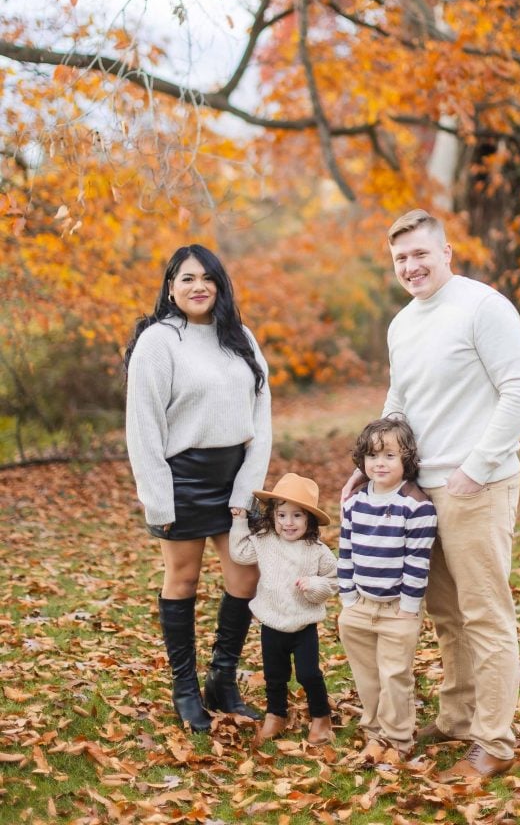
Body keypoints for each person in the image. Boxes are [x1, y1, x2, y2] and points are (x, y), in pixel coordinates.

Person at [342, 210, 520, 780]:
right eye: (401, 258)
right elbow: (398, 401)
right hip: (418, 494)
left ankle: (495, 742)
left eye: (421, 254)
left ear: (446, 252)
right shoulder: (402, 324)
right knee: (446, 614)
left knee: (485, 614)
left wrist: (477, 467)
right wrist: (371, 465)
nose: (411, 266)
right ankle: (456, 718)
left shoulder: (483, 306)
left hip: (476, 485)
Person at [125, 243, 271, 733]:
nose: (198, 286)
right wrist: (157, 498)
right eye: (187, 278)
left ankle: (222, 680)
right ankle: (185, 688)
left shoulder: (240, 339)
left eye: (207, 277)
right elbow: (142, 426)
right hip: (181, 478)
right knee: (183, 581)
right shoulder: (159, 341)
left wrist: (246, 489)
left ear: (220, 284)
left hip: (234, 476)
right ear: (171, 287)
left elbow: (262, 420)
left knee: (245, 579)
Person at [338, 416, 437, 760]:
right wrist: (348, 598)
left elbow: (417, 561)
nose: (379, 463)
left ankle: (398, 739)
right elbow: (346, 550)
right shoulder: (354, 503)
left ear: (406, 459)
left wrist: (409, 607)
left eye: (390, 456)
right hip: (360, 605)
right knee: (367, 675)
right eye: (373, 455)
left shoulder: (417, 506)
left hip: (398, 608)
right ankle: (374, 732)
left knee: (395, 676)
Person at [229, 473, 337, 745]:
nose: (289, 523)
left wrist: (314, 585)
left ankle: (321, 717)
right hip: (272, 624)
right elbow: (240, 553)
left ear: (309, 519)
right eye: (282, 515)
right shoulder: (265, 541)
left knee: (308, 674)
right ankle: (276, 715)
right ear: (273, 516)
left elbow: (334, 581)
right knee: (275, 676)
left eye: (297, 516)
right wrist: (239, 521)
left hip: (303, 625)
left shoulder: (317, 551)